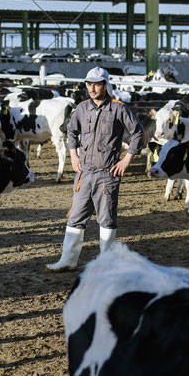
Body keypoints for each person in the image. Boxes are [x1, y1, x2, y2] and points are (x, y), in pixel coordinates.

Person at [46, 67, 144, 271]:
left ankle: (106, 265)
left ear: (106, 85)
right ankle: (68, 260)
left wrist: (127, 160)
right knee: (75, 216)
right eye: (89, 84)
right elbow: (71, 130)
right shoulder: (81, 108)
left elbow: (138, 132)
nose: (92, 88)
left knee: (106, 218)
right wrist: (73, 154)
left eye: (97, 84)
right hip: (84, 173)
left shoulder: (119, 108)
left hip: (107, 173)